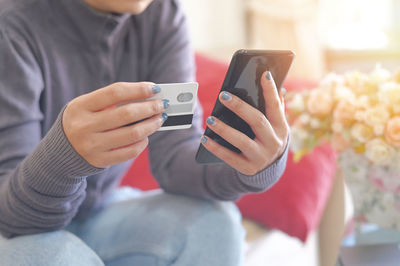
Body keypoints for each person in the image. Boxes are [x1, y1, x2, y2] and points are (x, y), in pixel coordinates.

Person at [0, 0, 290, 265]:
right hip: (11, 225)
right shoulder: (11, 24)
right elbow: (9, 215)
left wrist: (253, 163)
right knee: (60, 257)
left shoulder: (163, 13)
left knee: (217, 224)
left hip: (99, 210)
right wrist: (64, 159)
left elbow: (175, 159)